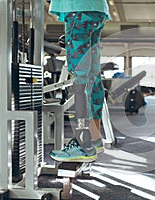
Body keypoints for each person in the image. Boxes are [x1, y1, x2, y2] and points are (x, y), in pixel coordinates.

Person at [48, 0, 110, 162]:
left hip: (77, 9)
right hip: (97, 10)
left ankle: (84, 144)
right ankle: (94, 138)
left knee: (79, 78)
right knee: (93, 78)